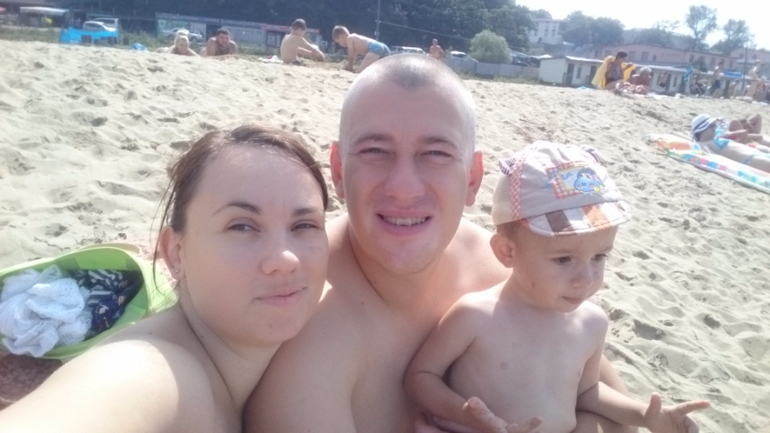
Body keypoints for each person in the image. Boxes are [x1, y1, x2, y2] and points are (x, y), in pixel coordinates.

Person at [246, 54, 639, 433]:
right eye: (375, 151)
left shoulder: (508, 270)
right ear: (338, 170)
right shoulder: (307, 332)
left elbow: (616, 414)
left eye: (436, 153)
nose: (403, 188)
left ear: (472, 179)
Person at [0, 125, 329, 433]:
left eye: (304, 225)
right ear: (175, 253)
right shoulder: (148, 372)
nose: (285, 259)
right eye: (241, 226)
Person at [405, 142, 710, 433]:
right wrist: (468, 415)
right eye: (564, 259)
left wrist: (645, 415)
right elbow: (420, 378)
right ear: (507, 252)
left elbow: (587, 392)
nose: (586, 278)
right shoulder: (476, 316)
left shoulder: (592, 323)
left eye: (599, 257)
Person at [692, 114, 770, 174]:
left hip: (756, 154)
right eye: (711, 125)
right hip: (750, 160)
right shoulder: (703, 144)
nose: (714, 127)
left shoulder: (716, 139)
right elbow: (711, 157)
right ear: (702, 130)